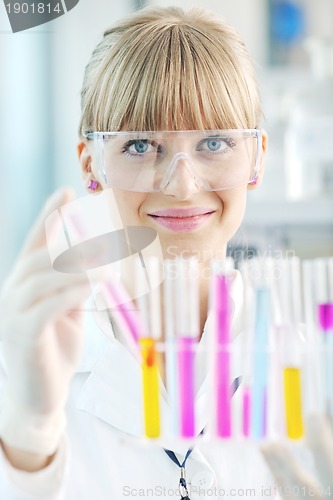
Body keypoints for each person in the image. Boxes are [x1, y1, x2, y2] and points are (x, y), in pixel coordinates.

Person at [0, 6, 331, 500]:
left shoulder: (316, 359)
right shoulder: (25, 363)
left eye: (214, 142)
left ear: (257, 159)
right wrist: (27, 443)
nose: (181, 185)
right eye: (139, 145)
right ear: (92, 164)